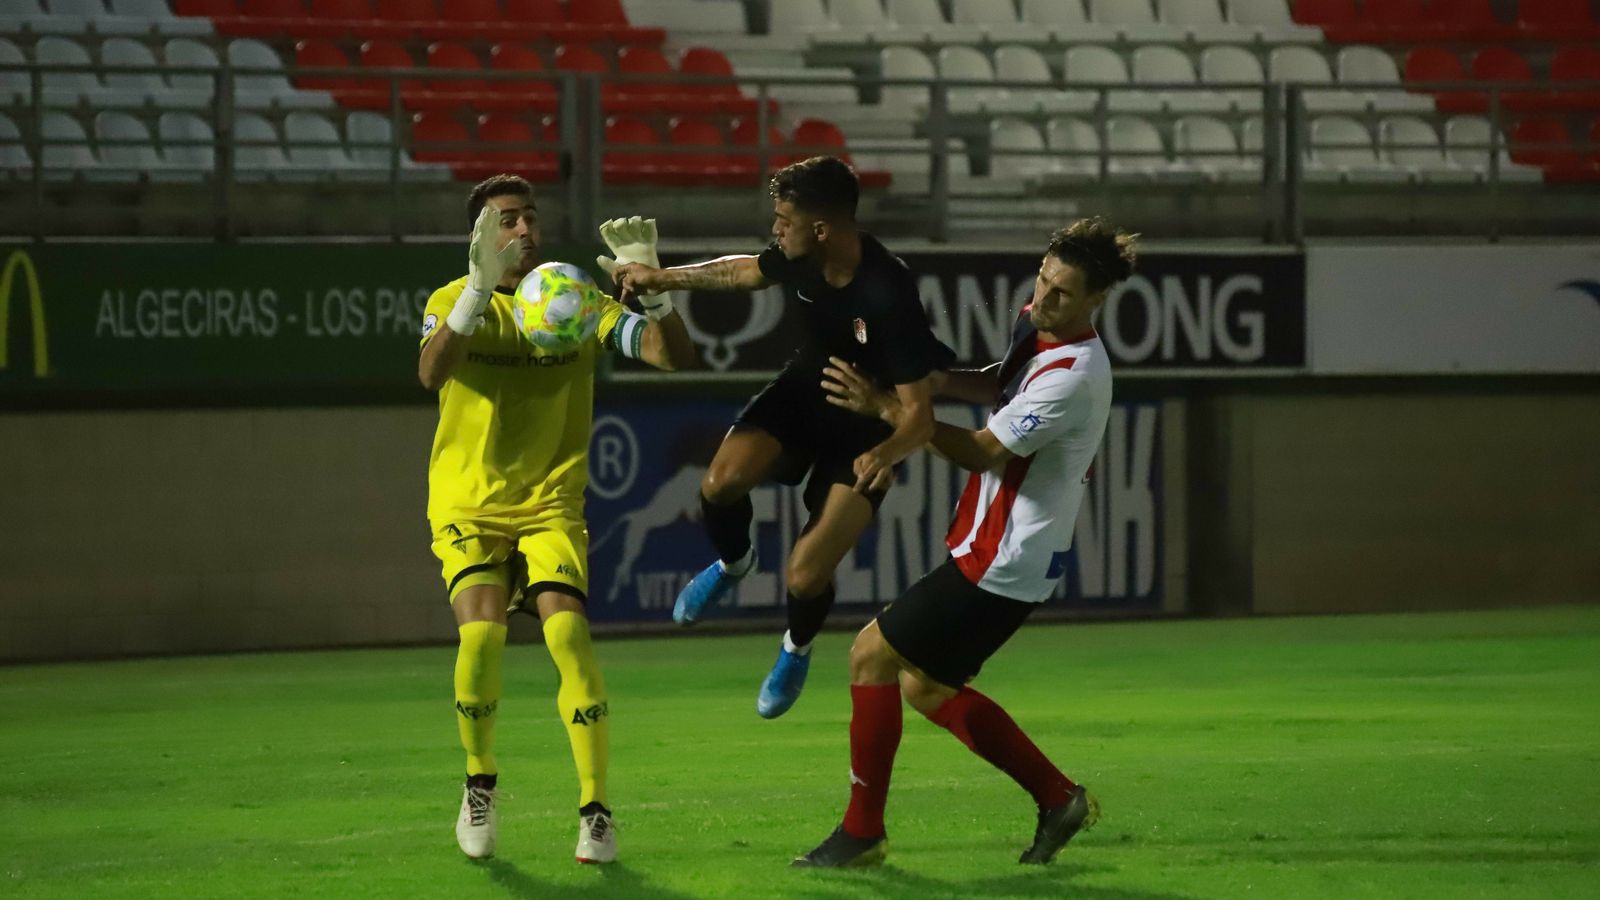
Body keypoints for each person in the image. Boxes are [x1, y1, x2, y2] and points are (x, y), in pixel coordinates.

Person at [792, 218, 1138, 867]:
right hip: (1002, 551)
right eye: (1042, 280)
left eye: (1063, 292)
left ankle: (861, 833)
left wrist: (893, 411)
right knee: (927, 688)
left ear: (1096, 301)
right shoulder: (1040, 326)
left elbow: (983, 451)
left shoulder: (1076, 375)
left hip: (1005, 558)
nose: (1044, 298)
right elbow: (996, 382)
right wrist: (925, 380)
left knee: (870, 656)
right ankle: (1057, 796)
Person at [612, 156, 953, 718]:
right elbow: (742, 271)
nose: (775, 230)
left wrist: (886, 451)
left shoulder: (888, 291)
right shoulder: (801, 256)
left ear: (821, 229)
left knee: (805, 573)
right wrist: (660, 276)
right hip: (806, 392)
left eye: (782, 219)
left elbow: (918, 415)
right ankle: (735, 564)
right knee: (720, 484)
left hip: (867, 427)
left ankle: (795, 648)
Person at [417, 175, 695, 862]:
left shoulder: (571, 299)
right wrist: (478, 292)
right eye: (507, 220)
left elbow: (672, 357)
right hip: (469, 503)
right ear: (480, 235)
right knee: (480, 641)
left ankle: (596, 809)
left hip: (549, 502)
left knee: (568, 635)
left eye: (529, 219)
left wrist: (656, 293)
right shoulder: (454, 301)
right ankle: (479, 783)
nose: (524, 232)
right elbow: (430, 373)